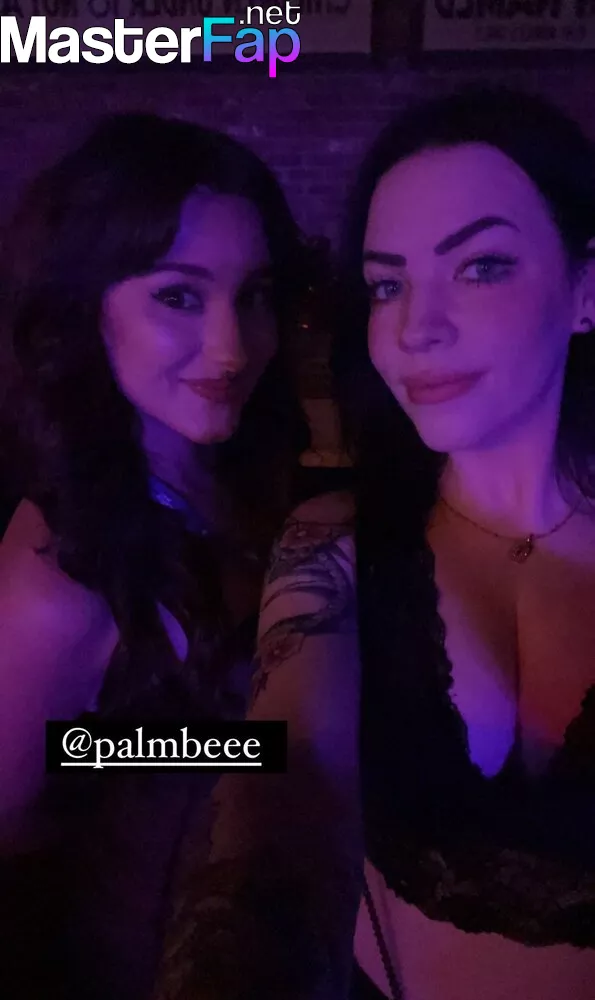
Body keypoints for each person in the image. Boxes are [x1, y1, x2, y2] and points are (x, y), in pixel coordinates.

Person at [151, 85, 595, 1000]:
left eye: (479, 268)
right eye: (386, 284)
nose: (414, 327)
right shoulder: (333, 542)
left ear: (585, 288)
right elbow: (277, 786)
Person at [0, 111, 307, 1000]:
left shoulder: (244, 475)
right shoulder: (58, 578)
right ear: (84, 307)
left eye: (254, 295)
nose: (231, 347)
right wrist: (271, 746)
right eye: (179, 296)